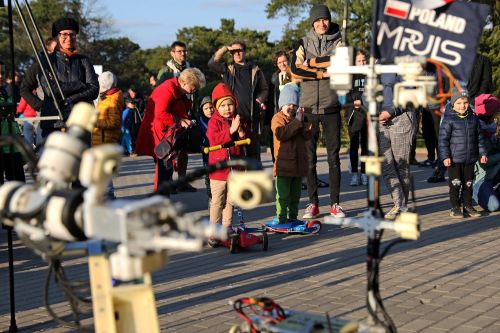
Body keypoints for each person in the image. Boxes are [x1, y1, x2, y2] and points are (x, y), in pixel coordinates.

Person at [290, 4, 345, 218]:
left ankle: (335, 204)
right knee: (310, 159)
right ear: (312, 22)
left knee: (333, 158)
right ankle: (312, 203)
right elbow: (295, 72)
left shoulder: (341, 42)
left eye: (325, 20)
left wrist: (310, 66)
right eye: (318, 20)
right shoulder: (302, 43)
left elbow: (340, 67)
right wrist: (323, 71)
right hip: (309, 106)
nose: (322, 23)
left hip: (331, 106)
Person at [20, 17, 99, 139]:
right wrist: (42, 106)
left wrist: (72, 98)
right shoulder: (45, 61)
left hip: (79, 121)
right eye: (64, 34)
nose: (69, 38)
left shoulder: (84, 61)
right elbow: (51, 90)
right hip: (54, 124)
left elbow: (94, 89)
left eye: (72, 34)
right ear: (57, 36)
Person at [135, 68, 205, 195]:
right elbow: (160, 113)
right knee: (164, 166)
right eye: (193, 87)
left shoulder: (178, 89)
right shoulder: (168, 88)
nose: (194, 90)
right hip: (160, 132)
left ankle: (164, 196)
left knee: (168, 165)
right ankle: (161, 199)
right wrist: (180, 121)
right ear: (184, 82)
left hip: (167, 132)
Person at [208, 39, 268, 162]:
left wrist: (259, 100)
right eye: (234, 51)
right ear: (231, 53)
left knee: (253, 154)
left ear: (245, 52)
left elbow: (264, 89)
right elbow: (211, 64)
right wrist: (225, 48)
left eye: (240, 50)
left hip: (251, 119)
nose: (237, 53)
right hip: (231, 119)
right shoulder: (227, 69)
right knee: (235, 154)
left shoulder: (255, 69)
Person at [206, 83, 247, 245]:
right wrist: (230, 131)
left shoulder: (237, 120)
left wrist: (241, 132)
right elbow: (214, 140)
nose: (227, 108)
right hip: (218, 170)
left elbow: (244, 141)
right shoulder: (214, 122)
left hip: (234, 168)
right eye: (223, 105)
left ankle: (226, 226)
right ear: (217, 107)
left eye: (230, 104)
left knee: (231, 199)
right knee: (217, 200)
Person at [439, 89, 488, 218]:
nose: (462, 106)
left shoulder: (474, 119)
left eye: (465, 102)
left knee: (468, 184)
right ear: (453, 104)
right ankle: (455, 207)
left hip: (470, 158)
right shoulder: (448, 119)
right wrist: (445, 156)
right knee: (455, 183)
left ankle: (467, 205)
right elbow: (443, 140)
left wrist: (483, 154)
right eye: (459, 103)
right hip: (454, 160)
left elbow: (479, 139)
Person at [156, 41, 197, 192]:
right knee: (171, 149)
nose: (183, 54)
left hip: (187, 111)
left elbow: (195, 92)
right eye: (179, 51)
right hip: (171, 116)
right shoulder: (165, 71)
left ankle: (182, 181)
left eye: (184, 51)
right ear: (172, 53)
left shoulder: (191, 69)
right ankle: (169, 183)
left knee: (183, 150)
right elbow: (160, 94)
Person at [271, 83, 313, 223]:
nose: (291, 108)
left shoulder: (300, 119)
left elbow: (308, 136)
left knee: (295, 196)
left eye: (295, 105)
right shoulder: (277, 119)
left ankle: (293, 217)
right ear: (281, 105)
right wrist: (297, 122)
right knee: (283, 196)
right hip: (283, 167)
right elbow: (281, 134)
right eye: (288, 104)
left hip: (298, 166)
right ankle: (281, 218)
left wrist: (305, 122)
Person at [378, 73, 417, 220]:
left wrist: (390, 111)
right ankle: (399, 204)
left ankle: (399, 205)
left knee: (401, 166)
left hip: (401, 117)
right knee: (386, 164)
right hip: (381, 119)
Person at [93, 71, 124, 199]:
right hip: (102, 138)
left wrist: (95, 122)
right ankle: (105, 192)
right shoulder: (108, 97)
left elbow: (113, 122)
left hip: (105, 139)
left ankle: (108, 194)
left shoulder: (112, 100)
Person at [472, 94, 500, 212]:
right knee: (494, 206)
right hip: (480, 177)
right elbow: (483, 162)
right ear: (489, 113)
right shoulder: (475, 132)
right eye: (496, 112)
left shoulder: (490, 129)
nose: (497, 115)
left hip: (493, 173)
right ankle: (473, 192)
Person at [346, 49, 368, 186]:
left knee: (366, 147)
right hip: (353, 114)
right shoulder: (350, 76)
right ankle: (355, 174)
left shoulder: (370, 75)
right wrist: (353, 101)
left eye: (364, 60)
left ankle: (365, 173)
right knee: (354, 145)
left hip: (366, 113)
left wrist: (364, 101)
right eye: (359, 61)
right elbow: (344, 95)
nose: (362, 63)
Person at [197, 96, 214, 203]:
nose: (209, 110)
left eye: (211, 107)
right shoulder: (199, 121)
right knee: (208, 177)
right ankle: (211, 198)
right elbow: (198, 137)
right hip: (207, 154)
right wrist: (200, 146)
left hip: (219, 153)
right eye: (206, 108)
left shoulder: (219, 118)